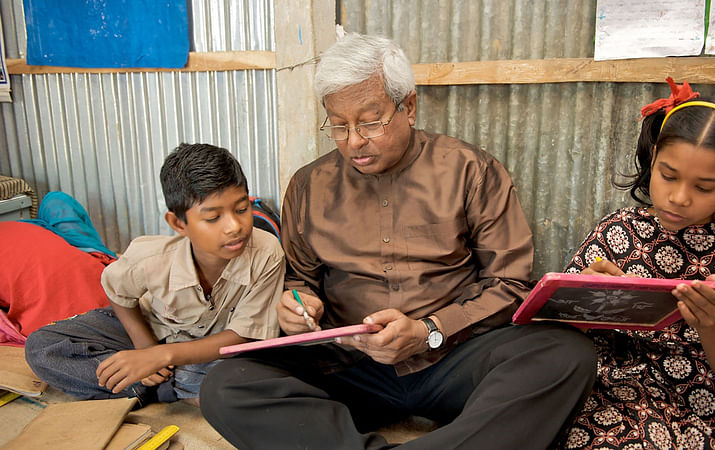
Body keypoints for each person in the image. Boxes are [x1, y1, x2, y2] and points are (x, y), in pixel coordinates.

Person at [199, 32, 597, 449]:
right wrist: (298, 305)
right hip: (350, 367)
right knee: (228, 384)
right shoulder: (307, 186)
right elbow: (300, 278)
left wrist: (430, 330)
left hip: (452, 359)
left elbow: (510, 283)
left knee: (564, 354)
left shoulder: (471, 171)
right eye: (338, 124)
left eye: (370, 122)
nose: (353, 141)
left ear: (408, 106)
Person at [560, 78, 715, 448]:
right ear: (653, 159)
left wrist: (713, 324)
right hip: (623, 399)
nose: (679, 197)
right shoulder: (619, 233)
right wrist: (589, 303)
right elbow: (557, 336)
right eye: (668, 176)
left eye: (704, 187)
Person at [24, 143, 285, 407]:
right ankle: (173, 385)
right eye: (213, 217)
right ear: (178, 223)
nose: (234, 227)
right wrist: (145, 347)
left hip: (217, 350)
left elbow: (244, 335)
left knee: (264, 367)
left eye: (241, 210)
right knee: (42, 347)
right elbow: (117, 292)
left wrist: (161, 357)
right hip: (154, 327)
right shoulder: (150, 258)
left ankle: (154, 386)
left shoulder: (266, 253)